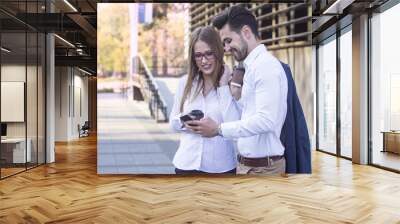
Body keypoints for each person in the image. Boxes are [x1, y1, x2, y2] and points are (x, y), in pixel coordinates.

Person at [186, 6, 288, 175]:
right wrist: (226, 88)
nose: (226, 48)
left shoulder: (265, 67)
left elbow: (266, 120)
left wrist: (218, 129)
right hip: (247, 167)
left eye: (228, 41)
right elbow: (240, 121)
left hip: (263, 169)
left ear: (246, 32)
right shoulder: (251, 68)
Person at [169, 26, 240, 175]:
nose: (204, 60)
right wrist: (187, 122)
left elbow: (236, 126)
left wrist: (222, 88)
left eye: (209, 54)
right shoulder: (185, 83)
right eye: (198, 55)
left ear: (218, 52)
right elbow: (173, 123)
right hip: (186, 165)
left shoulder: (232, 83)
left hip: (220, 168)